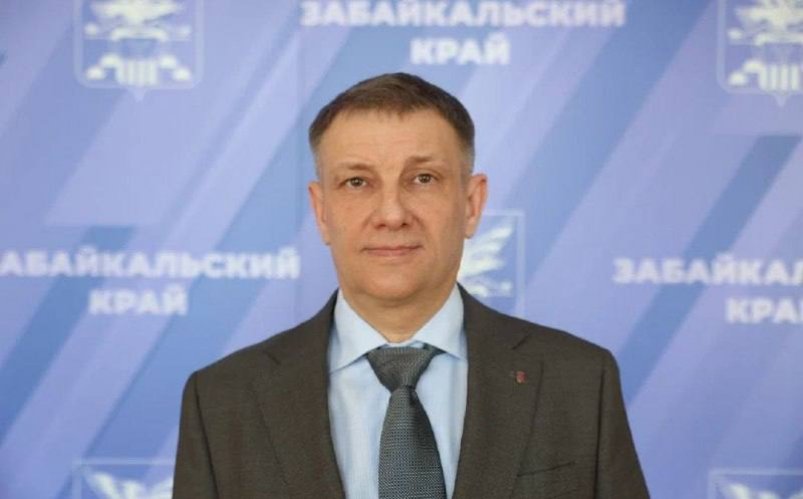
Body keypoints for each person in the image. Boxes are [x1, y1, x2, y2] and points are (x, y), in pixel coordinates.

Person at [173, 72, 649, 499]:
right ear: (321, 211)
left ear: (471, 204)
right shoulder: (221, 400)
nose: (392, 214)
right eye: (357, 182)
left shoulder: (579, 380)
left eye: (423, 178)